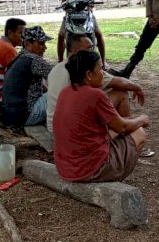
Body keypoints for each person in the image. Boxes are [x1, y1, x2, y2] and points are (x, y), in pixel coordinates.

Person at [53, 49, 150, 182]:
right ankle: (115, 178)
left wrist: (132, 119)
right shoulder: (96, 95)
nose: (104, 74)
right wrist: (142, 119)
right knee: (139, 133)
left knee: (128, 125)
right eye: (100, 70)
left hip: (65, 168)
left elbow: (117, 124)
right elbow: (122, 128)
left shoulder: (65, 92)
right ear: (88, 75)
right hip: (88, 170)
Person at [46, 34, 145, 131]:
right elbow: (120, 82)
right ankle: (126, 133)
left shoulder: (57, 69)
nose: (92, 52)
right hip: (73, 128)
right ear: (74, 51)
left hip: (54, 125)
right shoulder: (86, 69)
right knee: (121, 94)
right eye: (89, 49)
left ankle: (123, 124)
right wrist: (137, 88)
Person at [1, 26, 54, 127]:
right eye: (41, 44)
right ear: (27, 44)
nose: (45, 47)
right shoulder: (34, 60)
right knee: (61, 93)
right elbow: (59, 75)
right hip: (25, 116)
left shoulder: (18, 58)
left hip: (11, 115)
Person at [57, 0, 106, 67]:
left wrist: (89, 8)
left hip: (86, 14)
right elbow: (63, 1)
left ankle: (103, 61)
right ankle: (60, 62)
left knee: (98, 33)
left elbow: (91, 0)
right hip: (71, 14)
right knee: (61, 35)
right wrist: (67, 8)